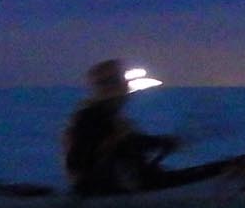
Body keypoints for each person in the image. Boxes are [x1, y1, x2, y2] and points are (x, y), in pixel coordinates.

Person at [62, 59, 182, 196]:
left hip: (114, 186)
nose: (126, 95)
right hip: (105, 190)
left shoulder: (109, 117)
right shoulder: (93, 118)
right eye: (120, 83)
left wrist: (161, 142)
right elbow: (79, 159)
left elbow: (132, 141)